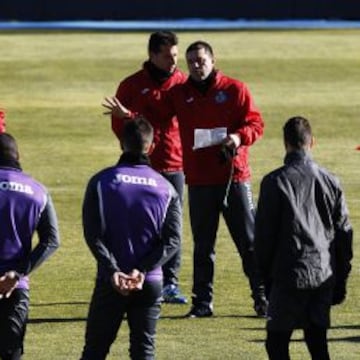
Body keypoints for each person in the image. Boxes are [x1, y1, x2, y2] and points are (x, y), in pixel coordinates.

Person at [104, 40, 268, 318]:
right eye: (191, 61)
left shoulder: (234, 89)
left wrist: (238, 137)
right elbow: (154, 120)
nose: (195, 65)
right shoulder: (180, 93)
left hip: (234, 178)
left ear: (213, 61)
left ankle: (263, 299)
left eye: (201, 60)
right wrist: (128, 116)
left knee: (248, 243)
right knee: (203, 246)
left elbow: (256, 123)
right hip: (200, 181)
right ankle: (202, 304)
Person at [80, 117, 181, 359]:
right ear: (152, 146)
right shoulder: (166, 187)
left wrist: (114, 270)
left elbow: (93, 234)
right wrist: (141, 271)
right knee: (144, 352)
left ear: (120, 143)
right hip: (149, 281)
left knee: (94, 351)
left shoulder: (101, 181)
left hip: (110, 280)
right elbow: (172, 240)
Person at [254, 116, 353, 360]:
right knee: (317, 341)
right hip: (322, 272)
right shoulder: (330, 180)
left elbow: (263, 238)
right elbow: (344, 235)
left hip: (288, 274)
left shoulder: (274, 181)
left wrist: (265, 278)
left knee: (277, 342)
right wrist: (340, 276)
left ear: (285, 143)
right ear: (312, 142)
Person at [102, 30, 187, 304]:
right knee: (139, 224)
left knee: (172, 228)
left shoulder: (182, 83)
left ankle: (170, 282)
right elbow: (121, 128)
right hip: (139, 168)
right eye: (167, 56)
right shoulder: (130, 85)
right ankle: (132, 273)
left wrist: (131, 116)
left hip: (174, 164)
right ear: (152, 55)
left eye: (175, 55)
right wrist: (128, 127)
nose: (173, 62)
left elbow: (167, 120)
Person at [0, 132, 60, 360]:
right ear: (18, 155)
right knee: (11, 352)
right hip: (16, 286)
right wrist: (16, 275)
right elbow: (51, 240)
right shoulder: (38, 191)